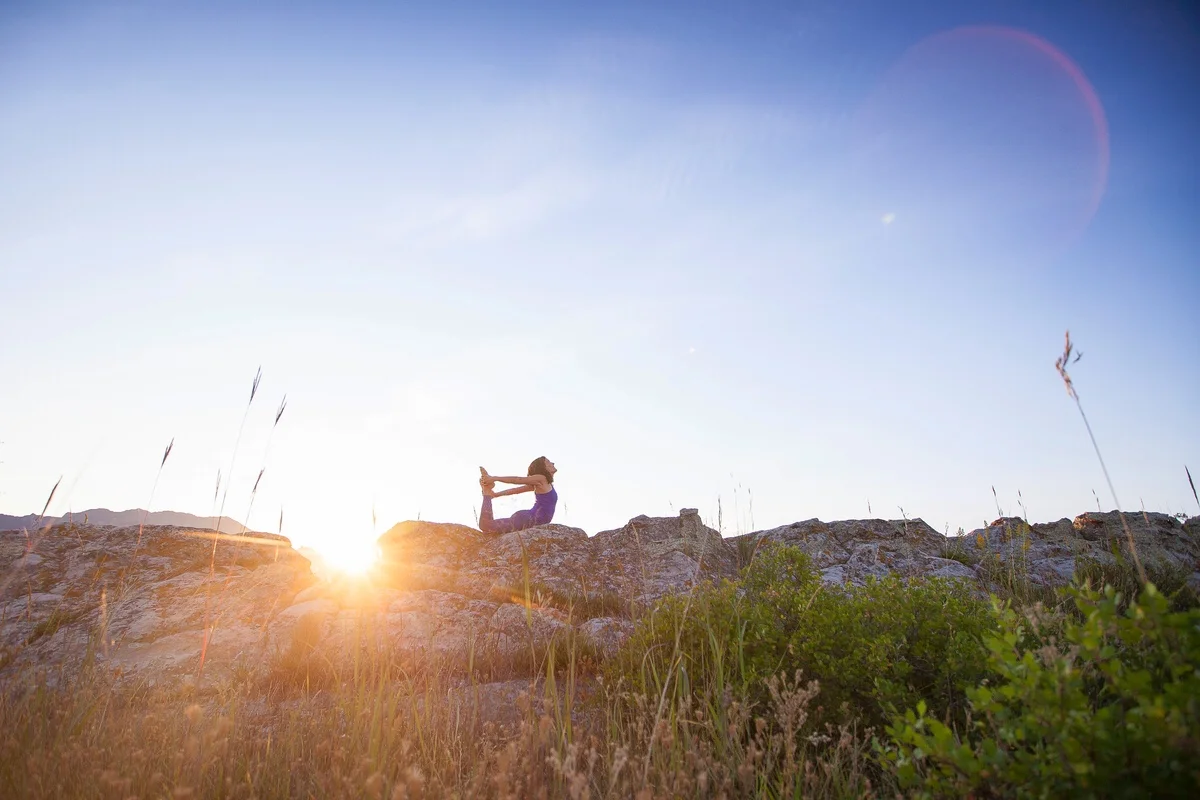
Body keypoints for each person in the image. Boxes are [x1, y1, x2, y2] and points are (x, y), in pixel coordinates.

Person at [477, 457, 558, 534]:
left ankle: (487, 492)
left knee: (488, 526)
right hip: (526, 520)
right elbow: (517, 480)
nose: (553, 463)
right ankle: (486, 492)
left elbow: (517, 490)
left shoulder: (545, 484)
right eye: (548, 462)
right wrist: (494, 478)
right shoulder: (541, 479)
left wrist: (495, 495)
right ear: (543, 468)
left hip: (527, 519)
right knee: (485, 525)